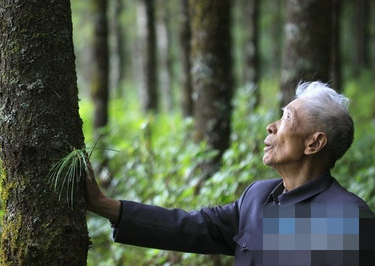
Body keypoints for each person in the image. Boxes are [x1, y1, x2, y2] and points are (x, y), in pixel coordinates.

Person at [85, 81, 375, 265]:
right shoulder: (258, 196)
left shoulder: (346, 217)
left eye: (287, 117)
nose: (271, 126)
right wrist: (106, 206)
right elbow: (193, 227)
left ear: (314, 143)